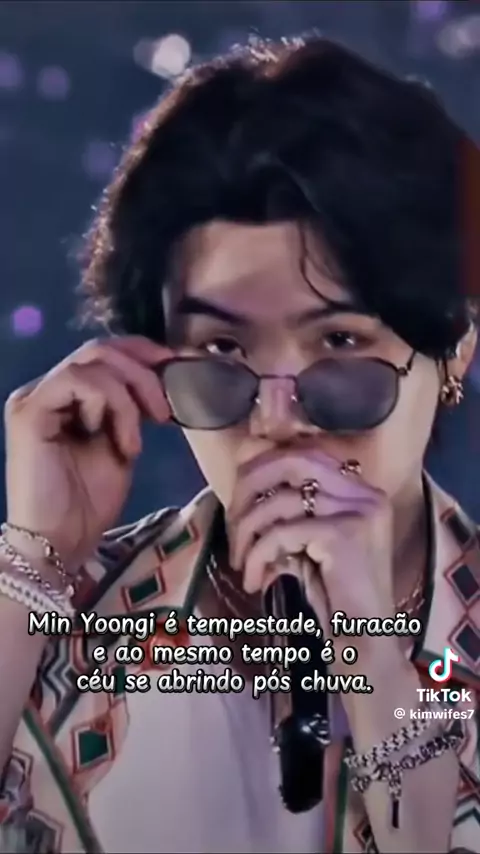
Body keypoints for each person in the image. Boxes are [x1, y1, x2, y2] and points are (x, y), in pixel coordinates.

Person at [0, 33, 479, 854]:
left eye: (340, 347)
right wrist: (32, 563)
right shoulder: (61, 616)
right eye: (223, 353)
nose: (278, 419)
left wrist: (372, 654)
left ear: (454, 350)